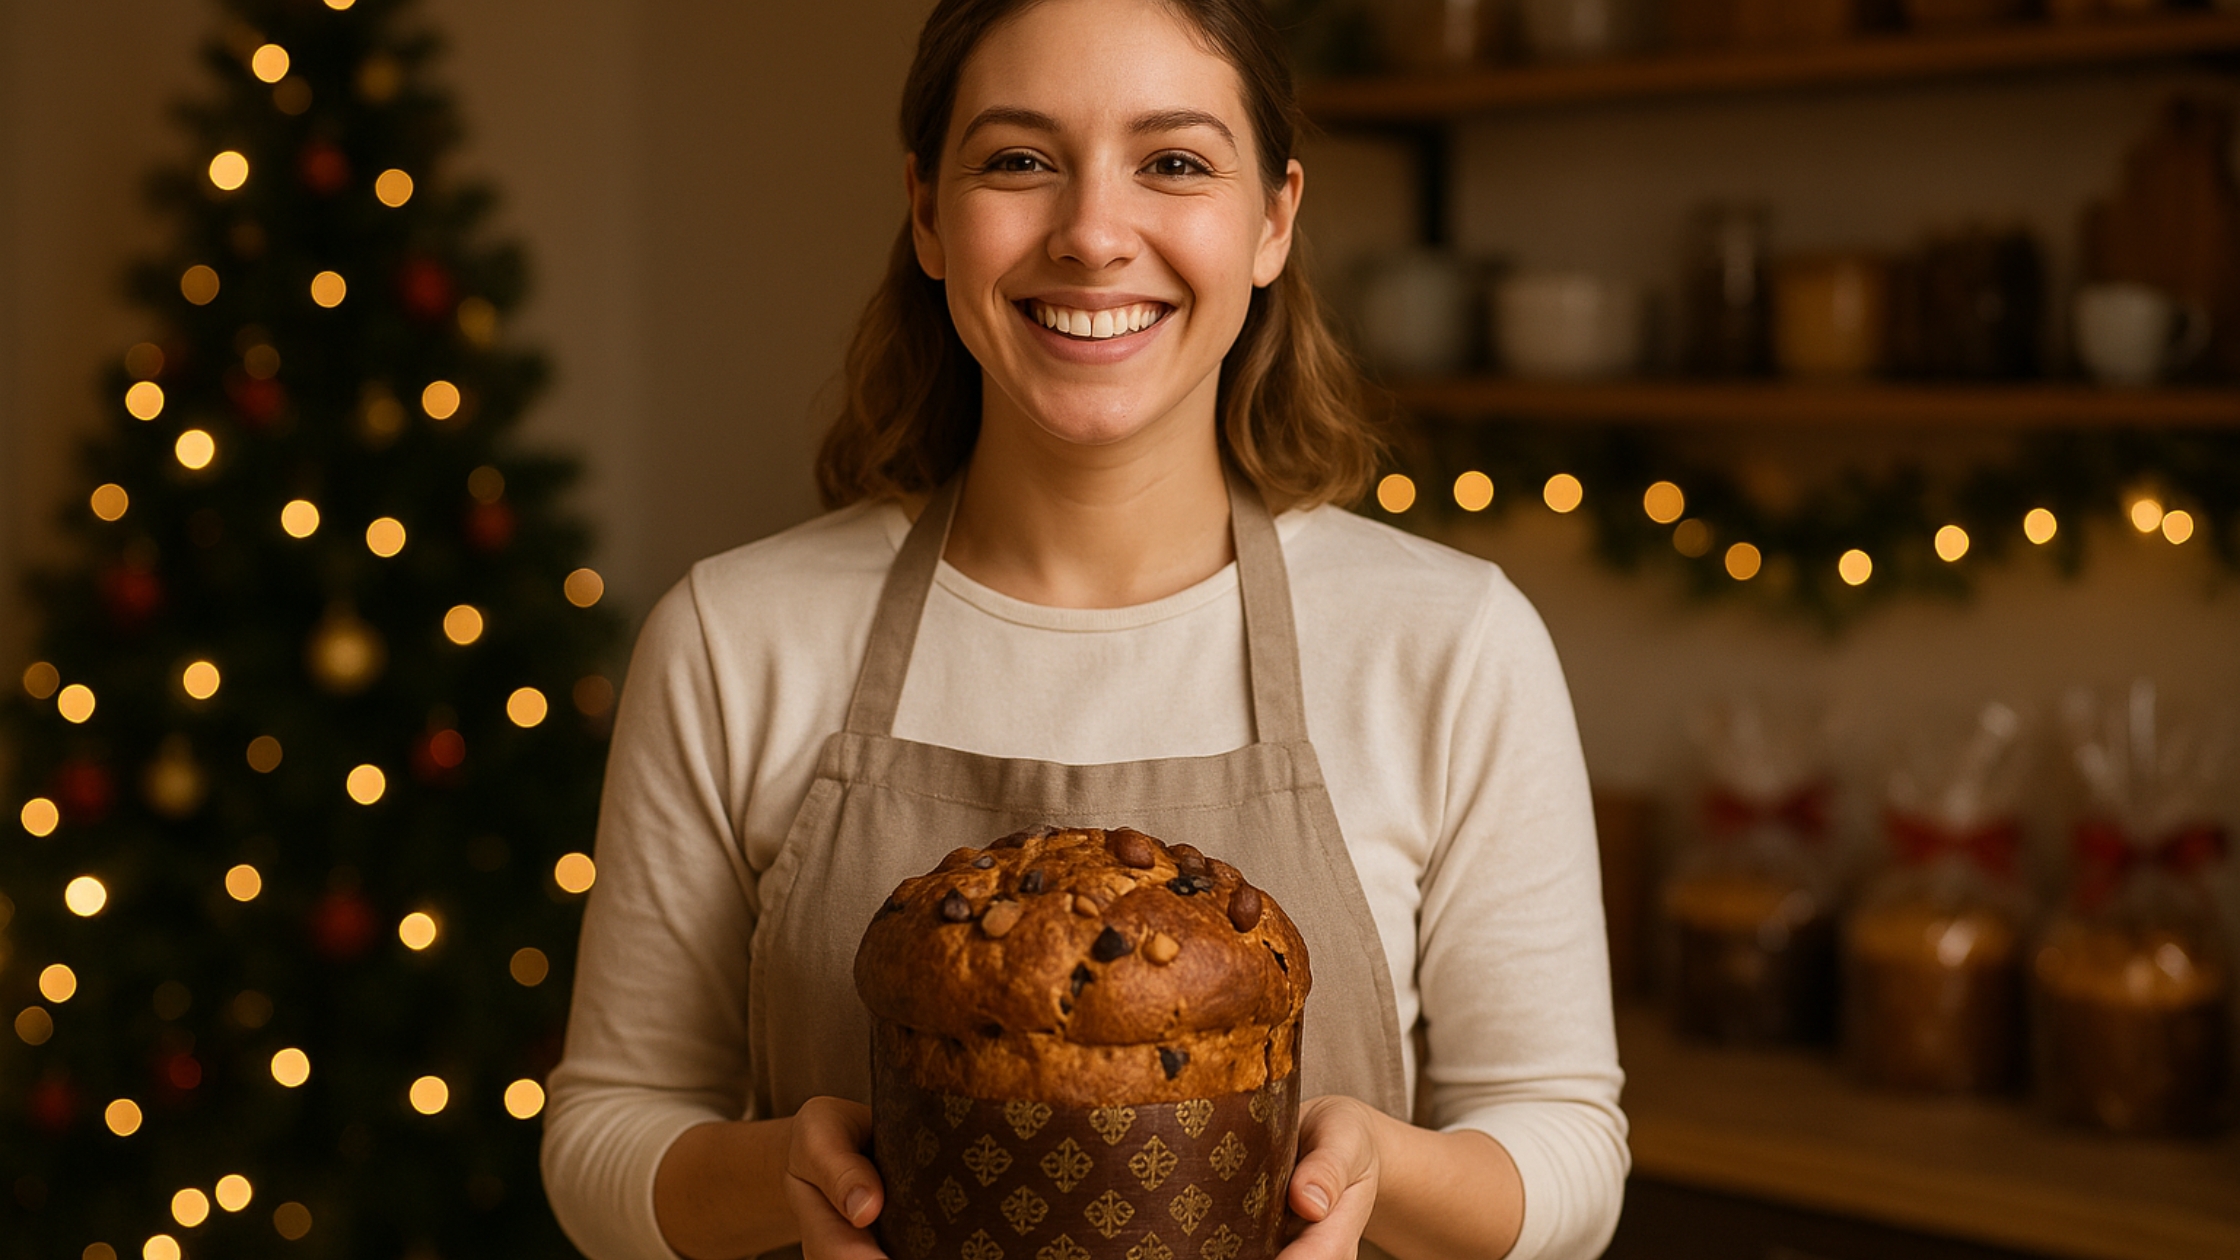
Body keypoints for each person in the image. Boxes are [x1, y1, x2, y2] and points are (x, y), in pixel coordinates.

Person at [541, 1, 1627, 1258]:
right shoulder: (735, 639)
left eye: (1172, 162)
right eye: (1017, 160)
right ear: (927, 212)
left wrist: (1369, 1167)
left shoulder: (1450, 646)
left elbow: (1565, 1147)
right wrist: (781, 1173)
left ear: (1272, 218)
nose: (1095, 235)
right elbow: (603, 1138)